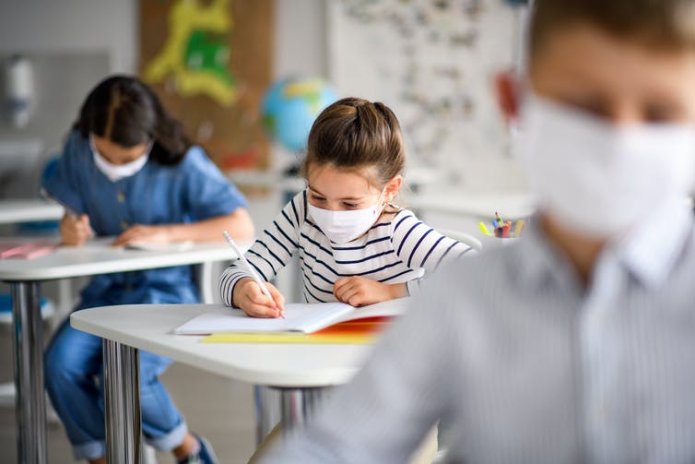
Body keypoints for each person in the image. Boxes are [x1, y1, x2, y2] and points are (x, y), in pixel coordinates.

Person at [261, 0, 695, 462]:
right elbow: (338, 446)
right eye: (584, 106)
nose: (620, 140)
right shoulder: (461, 300)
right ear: (514, 101)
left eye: (660, 112)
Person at [43, 75, 254, 464]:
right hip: (103, 295)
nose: (115, 167)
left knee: (125, 377)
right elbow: (69, 208)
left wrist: (168, 233)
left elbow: (241, 224)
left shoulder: (183, 162)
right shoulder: (76, 150)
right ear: (90, 138)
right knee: (59, 366)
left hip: (166, 294)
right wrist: (70, 228)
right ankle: (103, 459)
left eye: (127, 159)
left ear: (151, 138)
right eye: (104, 156)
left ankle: (187, 449)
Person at [219, 97, 474, 317]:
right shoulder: (301, 211)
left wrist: (391, 292)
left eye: (350, 204)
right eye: (318, 197)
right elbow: (239, 270)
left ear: (390, 190)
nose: (331, 214)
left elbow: (474, 272)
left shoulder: (397, 230)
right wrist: (244, 289)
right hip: (321, 357)